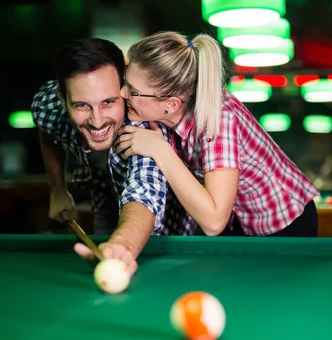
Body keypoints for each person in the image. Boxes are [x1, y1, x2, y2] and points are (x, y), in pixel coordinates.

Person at [114, 31, 319, 237]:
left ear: (171, 104)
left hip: (285, 222)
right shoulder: (166, 112)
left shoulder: (219, 120)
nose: (122, 93)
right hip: (238, 221)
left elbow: (213, 222)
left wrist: (161, 150)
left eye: (133, 91)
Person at [32, 37, 195, 275]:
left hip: (167, 234)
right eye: (81, 106)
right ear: (62, 98)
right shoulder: (47, 105)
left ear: (125, 90)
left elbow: (144, 192)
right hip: (103, 192)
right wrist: (58, 189)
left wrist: (123, 245)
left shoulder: (145, 127)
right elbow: (48, 131)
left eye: (109, 102)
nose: (97, 121)